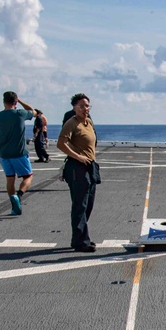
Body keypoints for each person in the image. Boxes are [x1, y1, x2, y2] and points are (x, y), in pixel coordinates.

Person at [57, 93, 100, 252]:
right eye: (81, 106)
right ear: (74, 108)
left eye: (87, 106)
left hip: (90, 166)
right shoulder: (71, 123)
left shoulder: (88, 122)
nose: (85, 109)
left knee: (88, 204)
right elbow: (61, 144)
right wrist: (78, 157)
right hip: (77, 167)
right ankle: (82, 241)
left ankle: (78, 238)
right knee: (80, 205)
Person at [0, 91, 39, 216]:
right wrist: (20, 101)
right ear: (15, 102)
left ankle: (14, 206)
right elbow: (34, 112)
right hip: (19, 152)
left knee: (10, 180)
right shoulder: (20, 113)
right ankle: (19, 196)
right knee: (28, 177)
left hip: (4, 153)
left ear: (3, 102)